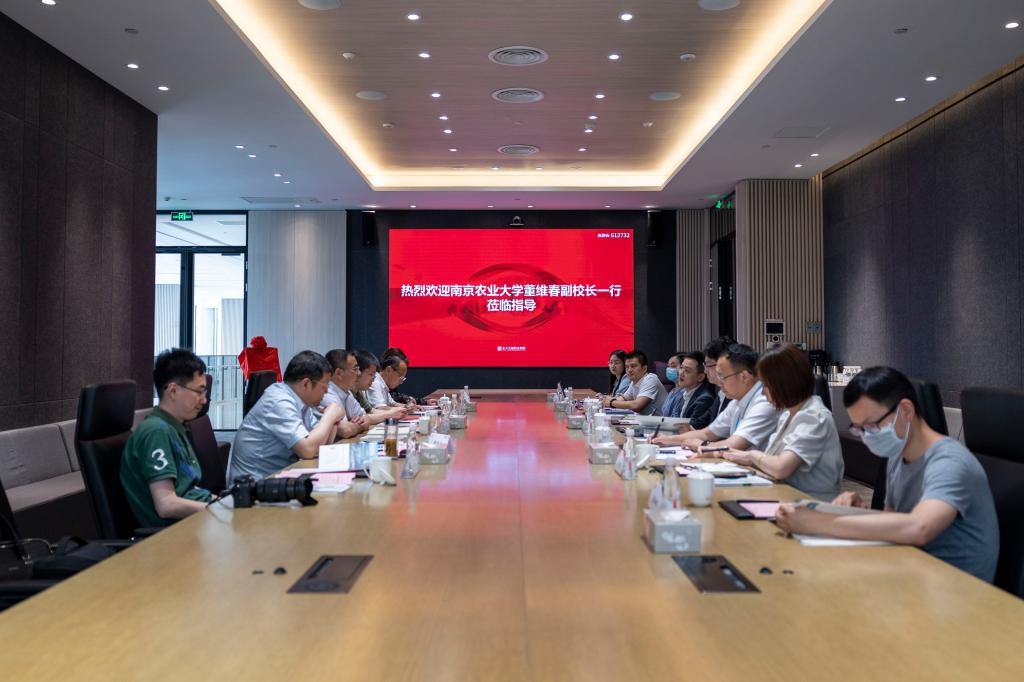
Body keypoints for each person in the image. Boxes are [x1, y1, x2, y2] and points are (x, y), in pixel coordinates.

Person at [774, 367, 999, 582]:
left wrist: (816, 522)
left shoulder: (950, 462)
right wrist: (859, 512)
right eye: (859, 429)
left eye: (871, 426)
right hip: (910, 570)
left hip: (955, 589)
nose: (866, 437)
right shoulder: (897, 455)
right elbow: (894, 523)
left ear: (906, 411)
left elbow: (919, 528)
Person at [720, 344, 844, 499]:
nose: (763, 392)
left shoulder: (814, 417)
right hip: (785, 496)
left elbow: (781, 468)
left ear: (783, 383)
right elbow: (770, 460)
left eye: (765, 385)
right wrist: (740, 457)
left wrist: (751, 456)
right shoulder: (787, 415)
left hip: (812, 503)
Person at [120, 349, 213, 527]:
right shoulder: (156, 432)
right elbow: (166, 504)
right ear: (173, 391)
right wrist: (219, 508)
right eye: (199, 392)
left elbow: (188, 489)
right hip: (176, 532)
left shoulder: (175, 427)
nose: (204, 400)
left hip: (194, 522)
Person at [226, 350, 345, 482]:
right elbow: (307, 449)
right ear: (306, 384)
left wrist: (333, 420)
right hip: (254, 484)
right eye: (325, 385)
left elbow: (321, 446)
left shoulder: (302, 402)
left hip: (279, 477)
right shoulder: (279, 401)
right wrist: (329, 416)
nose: (327, 391)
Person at [655, 343, 780, 451]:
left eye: (723, 376)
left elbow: (733, 445)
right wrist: (666, 440)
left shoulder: (764, 402)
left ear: (744, 377)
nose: (719, 382)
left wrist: (702, 445)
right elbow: (707, 433)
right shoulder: (737, 401)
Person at [316, 349, 370, 437]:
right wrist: (359, 426)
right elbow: (346, 430)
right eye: (355, 369)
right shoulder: (327, 394)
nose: (359, 373)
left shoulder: (347, 392)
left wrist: (358, 423)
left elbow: (366, 418)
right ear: (339, 373)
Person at [602, 350, 667, 416]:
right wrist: (604, 399)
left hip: (660, 421)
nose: (629, 370)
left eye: (633, 366)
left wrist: (611, 402)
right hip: (645, 420)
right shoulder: (634, 382)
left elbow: (637, 406)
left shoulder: (651, 379)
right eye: (627, 367)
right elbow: (623, 399)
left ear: (644, 368)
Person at [692, 335, 734, 428]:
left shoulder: (735, 397)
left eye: (708, 365)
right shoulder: (721, 393)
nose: (705, 371)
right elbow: (702, 423)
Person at [661, 352, 716, 423]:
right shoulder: (684, 394)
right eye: (681, 368)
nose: (681, 373)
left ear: (700, 377)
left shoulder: (704, 399)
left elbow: (693, 427)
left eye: (687, 370)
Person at [353, 350, 407, 419]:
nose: (373, 379)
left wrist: (403, 409)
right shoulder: (376, 383)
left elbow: (371, 411)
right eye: (371, 374)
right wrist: (392, 413)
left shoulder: (358, 392)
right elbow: (366, 417)